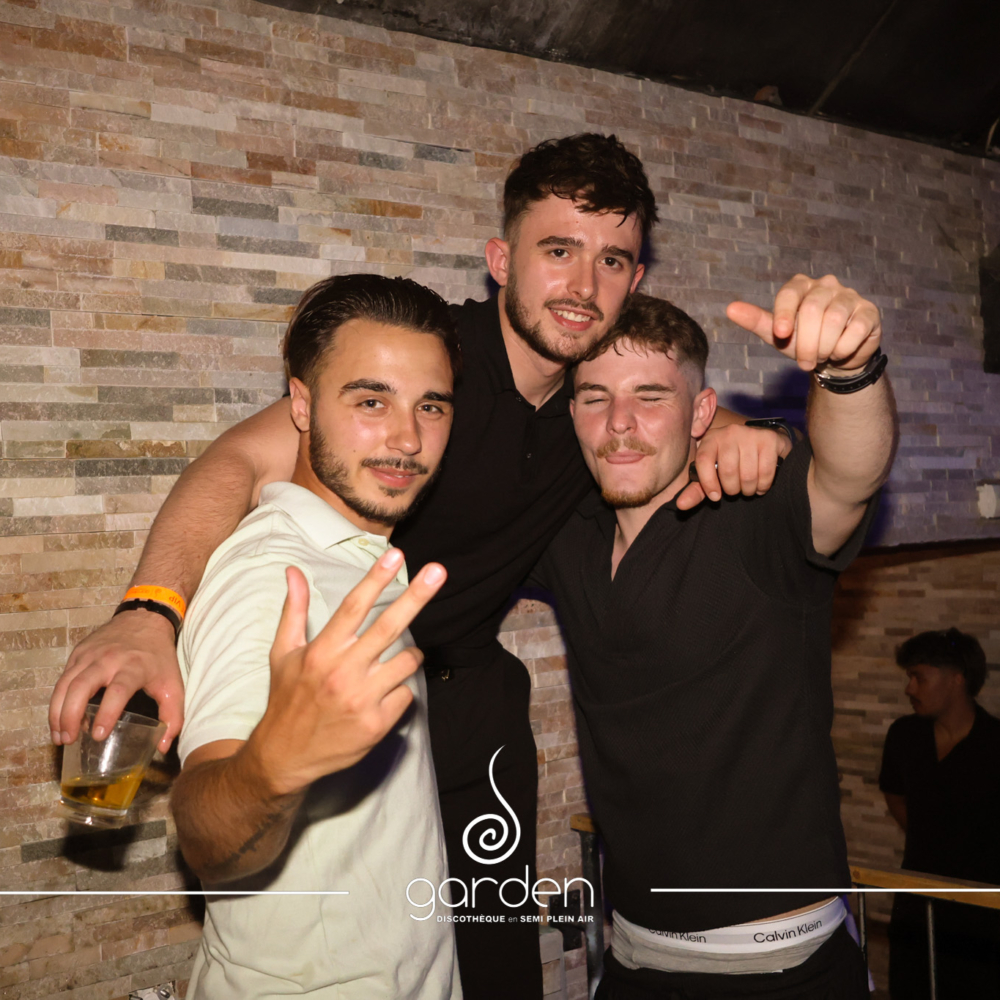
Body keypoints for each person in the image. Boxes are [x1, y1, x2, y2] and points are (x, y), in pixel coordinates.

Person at [49, 134, 790, 998]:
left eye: (612, 260)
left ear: (635, 280)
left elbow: (667, 412)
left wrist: (736, 428)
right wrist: (149, 610)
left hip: (468, 706)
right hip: (342, 681)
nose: (584, 287)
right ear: (501, 261)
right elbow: (238, 461)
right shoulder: (430, 359)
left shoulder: (595, 408)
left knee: (491, 958)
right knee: (328, 937)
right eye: (559, 251)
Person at [529, 282, 896, 998]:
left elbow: (849, 476)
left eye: (651, 396)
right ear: (572, 414)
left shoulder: (753, 515)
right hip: (633, 963)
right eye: (596, 398)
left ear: (700, 412)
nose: (620, 423)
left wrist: (849, 372)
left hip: (783, 972)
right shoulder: (567, 533)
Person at [170, 273, 462, 999]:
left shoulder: (359, 554)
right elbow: (205, 835)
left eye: (430, 406)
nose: (407, 438)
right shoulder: (272, 574)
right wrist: (272, 767)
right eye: (371, 402)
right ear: (300, 406)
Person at [879, 628, 1000, 999]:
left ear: (956, 678)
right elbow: (894, 794)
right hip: (915, 899)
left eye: (919, 677)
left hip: (982, 912)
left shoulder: (994, 743)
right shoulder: (904, 735)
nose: (909, 688)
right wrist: (928, 837)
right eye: (909, 677)